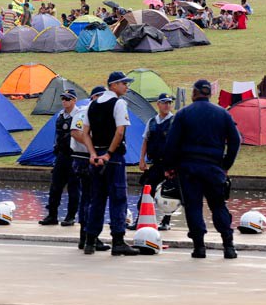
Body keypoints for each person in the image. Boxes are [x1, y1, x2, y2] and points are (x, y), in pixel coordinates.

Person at [164, 79, 241, 259]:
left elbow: (171, 144)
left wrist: (169, 167)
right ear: (209, 94)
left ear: (194, 93)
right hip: (214, 168)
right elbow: (236, 140)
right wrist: (226, 165)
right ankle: (228, 246)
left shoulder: (183, 114)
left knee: (193, 207)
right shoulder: (223, 114)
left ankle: (199, 247)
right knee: (218, 206)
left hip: (189, 169)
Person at [80, 71, 139, 256]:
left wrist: (92, 153)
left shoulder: (92, 104)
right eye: (123, 83)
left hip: (96, 157)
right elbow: (120, 132)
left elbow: (85, 133)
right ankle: (118, 240)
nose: (126, 87)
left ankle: (90, 240)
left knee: (97, 199)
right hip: (112, 159)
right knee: (118, 198)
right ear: (113, 85)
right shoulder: (119, 103)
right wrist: (109, 154)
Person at [71, 86, 110, 251]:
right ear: (94, 97)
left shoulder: (100, 113)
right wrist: (92, 146)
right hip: (84, 159)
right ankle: (88, 236)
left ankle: (87, 236)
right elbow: (75, 132)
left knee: (90, 198)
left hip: (91, 158)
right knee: (91, 198)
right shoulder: (84, 112)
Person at [133, 93, 176, 231]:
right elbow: (145, 140)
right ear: (158, 104)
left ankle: (166, 221)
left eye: (169, 103)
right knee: (147, 190)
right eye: (164, 103)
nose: (167, 105)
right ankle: (139, 219)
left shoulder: (174, 122)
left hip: (170, 164)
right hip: (156, 163)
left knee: (169, 193)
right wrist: (142, 159)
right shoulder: (152, 122)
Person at [39, 89, 81, 227]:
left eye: (68, 99)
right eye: (63, 98)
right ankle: (52, 215)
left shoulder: (79, 115)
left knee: (73, 188)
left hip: (74, 155)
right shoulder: (60, 115)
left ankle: (70, 216)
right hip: (61, 155)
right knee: (55, 186)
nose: (64, 101)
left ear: (74, 100)